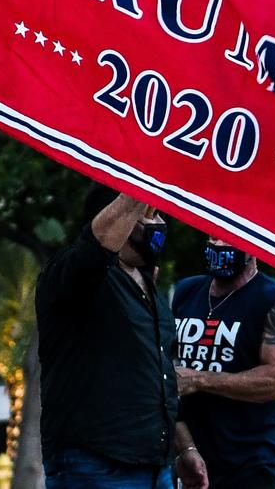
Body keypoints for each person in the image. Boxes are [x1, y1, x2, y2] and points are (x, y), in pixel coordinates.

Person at [35, 186, 208, 489]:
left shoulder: (149, 286)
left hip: (156, 468)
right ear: (113, 216)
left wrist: (186, 448)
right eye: (150, 212)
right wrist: (143, 177)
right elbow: (95, 248)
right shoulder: (75, 273)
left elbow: (159, 379)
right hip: (95, 467)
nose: (159, 223)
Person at [172, 236, 275, 489]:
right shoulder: (186, 292)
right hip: (193, 456)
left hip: (253, 464)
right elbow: (168, 377)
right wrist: (185, 447)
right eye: (213, 236)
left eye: (229, 237)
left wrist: (200, 379)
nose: (220, 244)